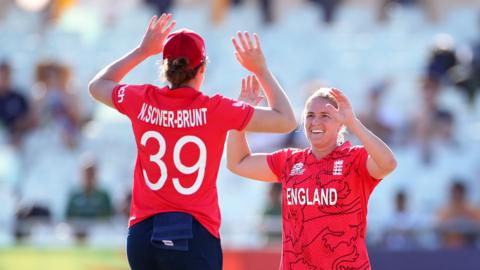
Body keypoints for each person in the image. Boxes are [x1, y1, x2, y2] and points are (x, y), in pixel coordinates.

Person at [88, 13, 296, 270]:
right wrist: (261, 70)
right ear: (202, 69)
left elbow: (97, 86)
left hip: (142, 235)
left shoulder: (142, 98)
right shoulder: (216, 109)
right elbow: (286, 120)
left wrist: (143, 50)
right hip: (193, 234)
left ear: (165, 67)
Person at [227, 85, 397, 269]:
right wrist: (239, 116)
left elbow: (388, 164)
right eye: (310, 115)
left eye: (325, 115)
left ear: (340, 123)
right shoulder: (290, 161)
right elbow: (238, 163)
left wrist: (353, 122)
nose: (316, 121)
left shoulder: (353, 159)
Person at [65, 156, 113, 243]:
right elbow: (68, 218)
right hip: (77, 231)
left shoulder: (103, 195)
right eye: (86, 172)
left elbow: (108, 218)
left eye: (92, 172)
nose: (89, 175)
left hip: (99, 233)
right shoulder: (74, 194)